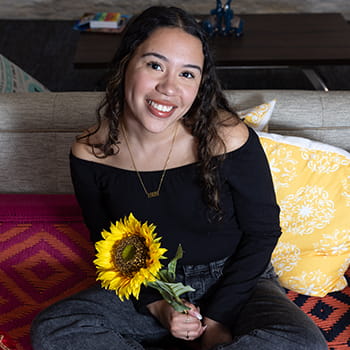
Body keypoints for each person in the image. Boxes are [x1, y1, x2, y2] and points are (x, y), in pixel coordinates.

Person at [31, 6, 328, 350]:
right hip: (152, 283)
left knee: (301, 343)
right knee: (55, 328)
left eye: (187, 74)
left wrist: (218, 319)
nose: (168, 88)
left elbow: (263, 232)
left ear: (200, 83)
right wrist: (157, 304)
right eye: (155, 65)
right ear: (127, 62)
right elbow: (107, 240)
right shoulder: (89, 151)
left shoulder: (226, 136)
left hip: (237, 281)